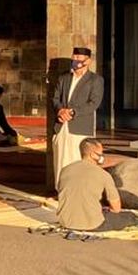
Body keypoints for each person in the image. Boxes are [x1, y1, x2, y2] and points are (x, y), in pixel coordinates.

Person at [55, 138, 136, 231]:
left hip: (65, 222)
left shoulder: (65, 170)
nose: (102, 156)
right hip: (93, 224)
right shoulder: (103, 174)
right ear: (92, 154)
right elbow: (116, 208)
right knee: (130, 217)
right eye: (101, 153)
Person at [51, 46, 104, 185]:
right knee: (61, 160)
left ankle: (78, 190)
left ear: (88, 61)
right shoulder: (64, 78)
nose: (75, 61)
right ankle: (61, 190)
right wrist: (60, 111)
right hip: (62, 125)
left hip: (80, 127)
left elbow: (94, 103)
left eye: (78, 59)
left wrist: (73, 112)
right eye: (73, 58)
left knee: (77, 160)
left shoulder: (95, 80)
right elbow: (55, 99)